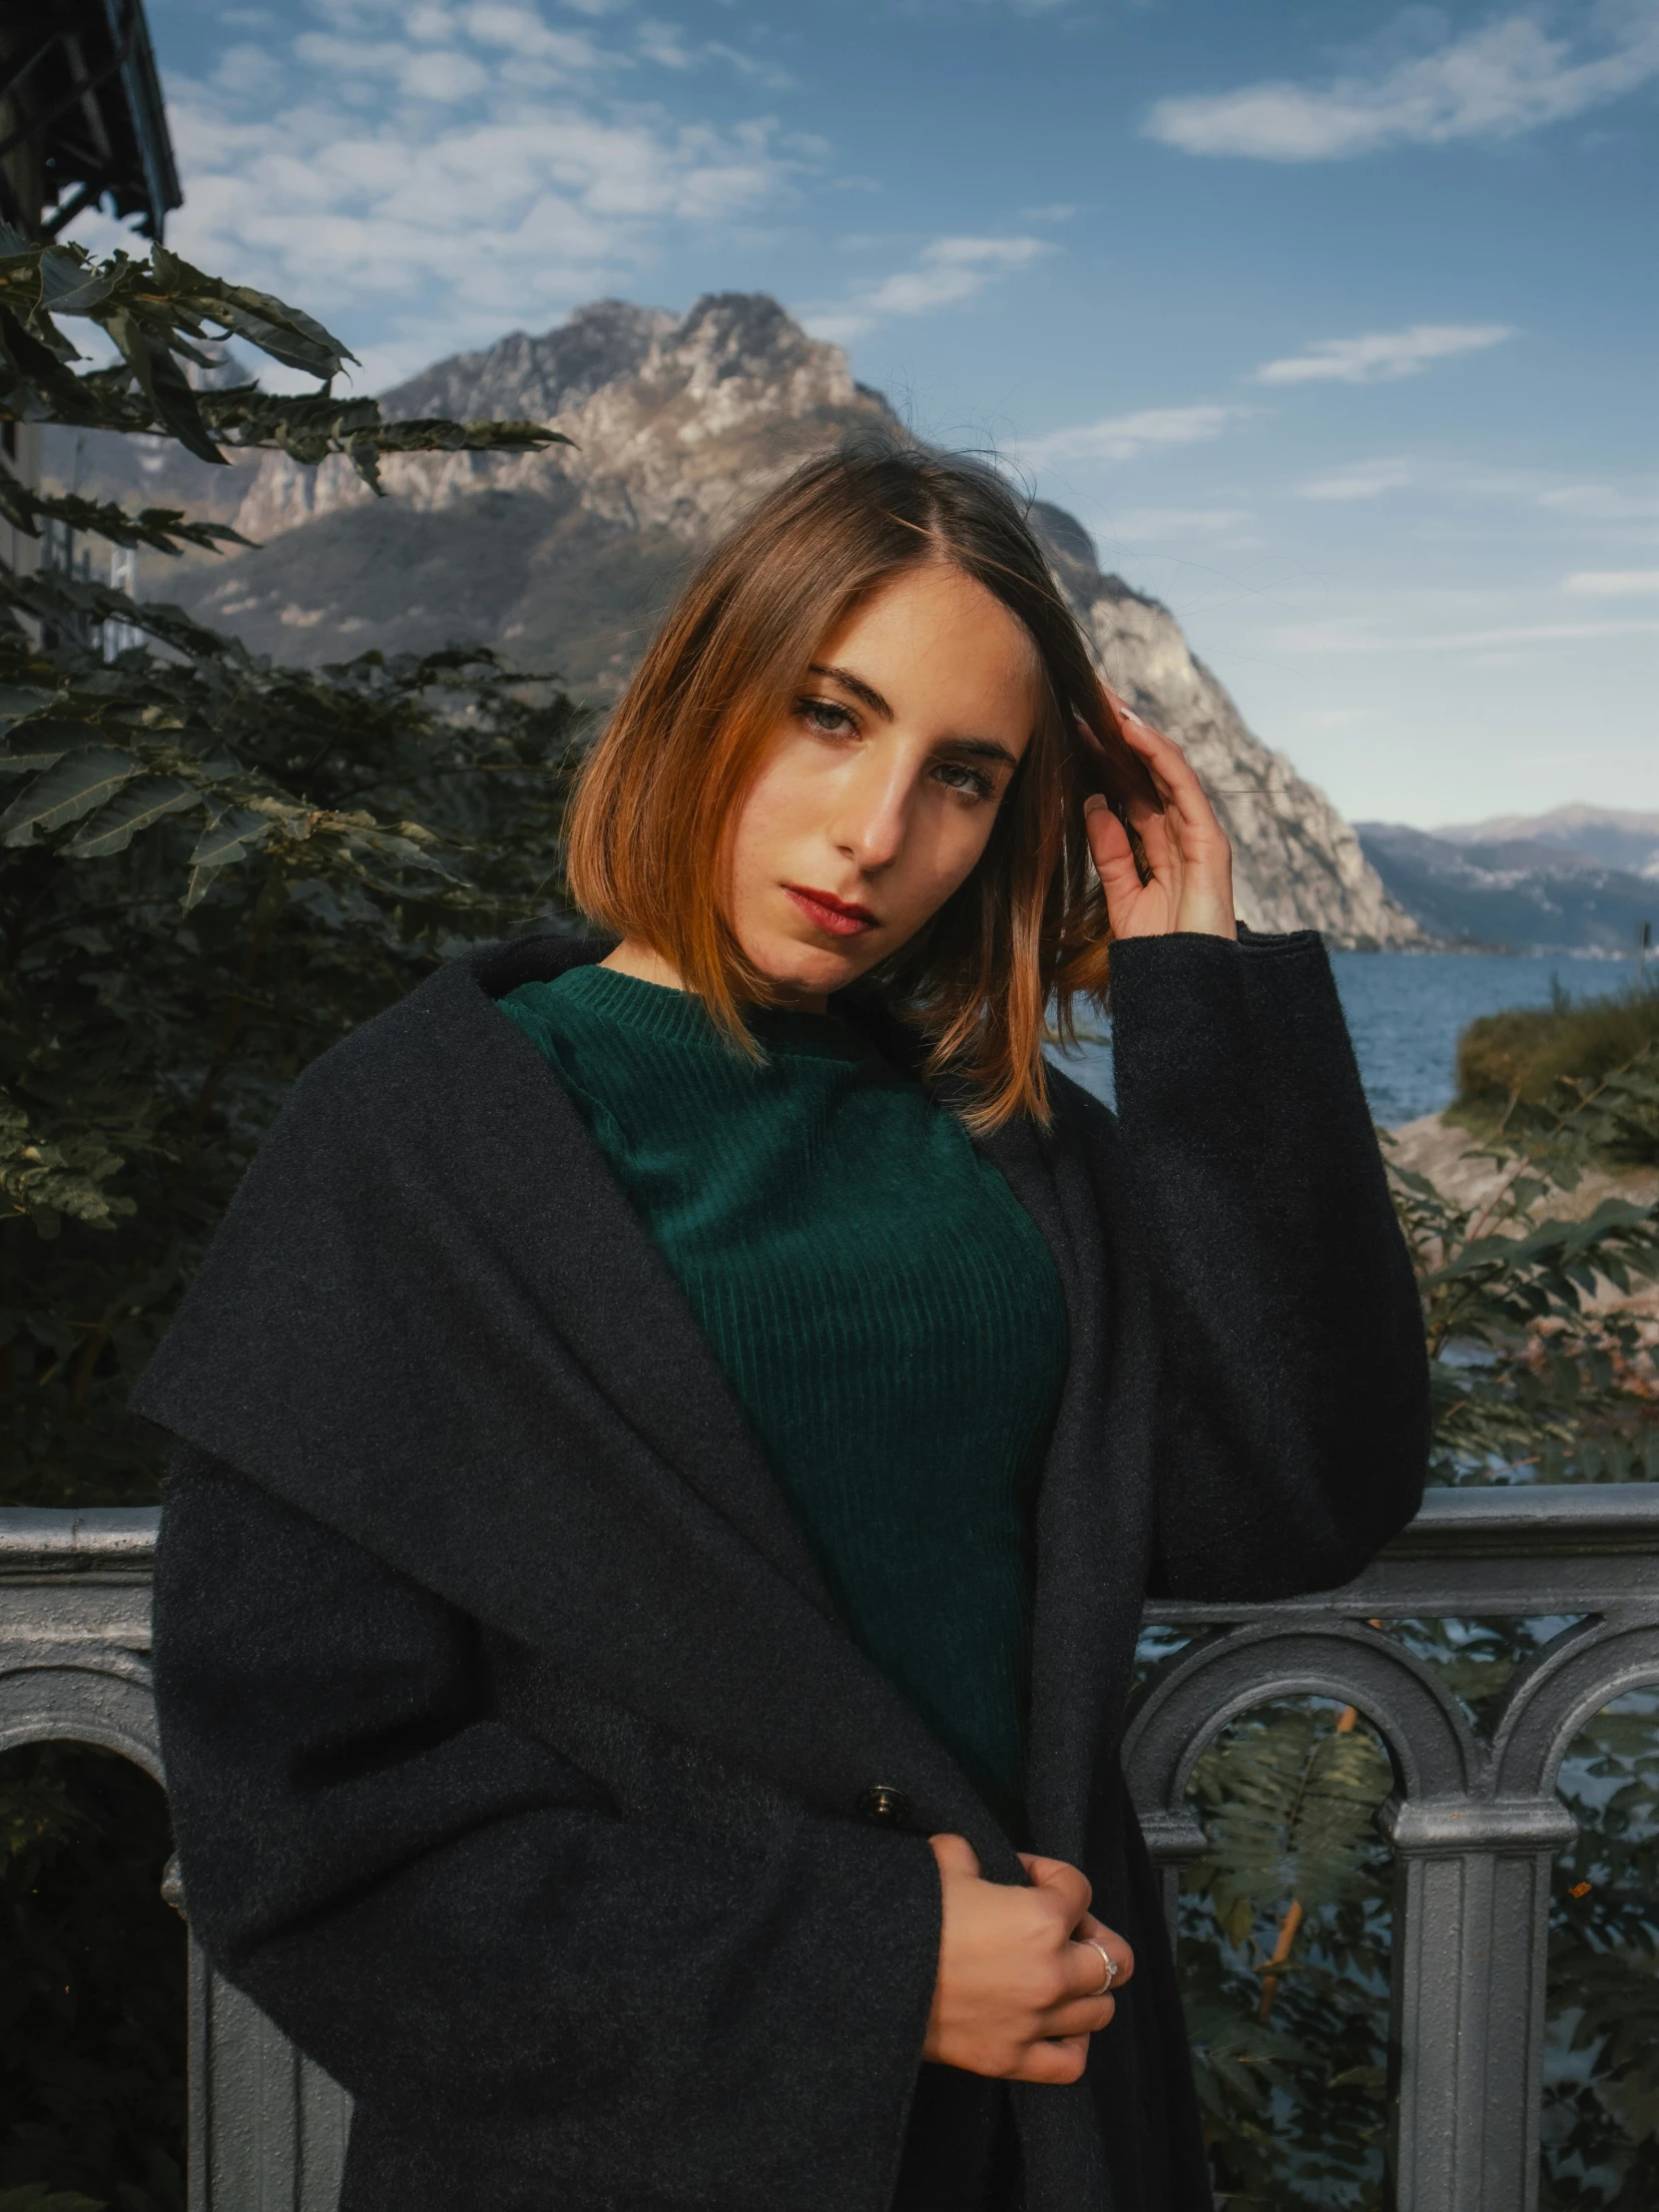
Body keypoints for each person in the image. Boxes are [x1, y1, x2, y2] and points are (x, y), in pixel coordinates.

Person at [136, 439, 1429, 2212]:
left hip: (1035, 2139)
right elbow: (305, 1825)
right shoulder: (413, 1143)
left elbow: (1293, 1497)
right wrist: (874, 1967)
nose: (877, 833)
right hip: (622, 2156)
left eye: (963, 777)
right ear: (702, 693)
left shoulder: (1008, 1140)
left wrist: (1201, 999)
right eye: (831, 716)